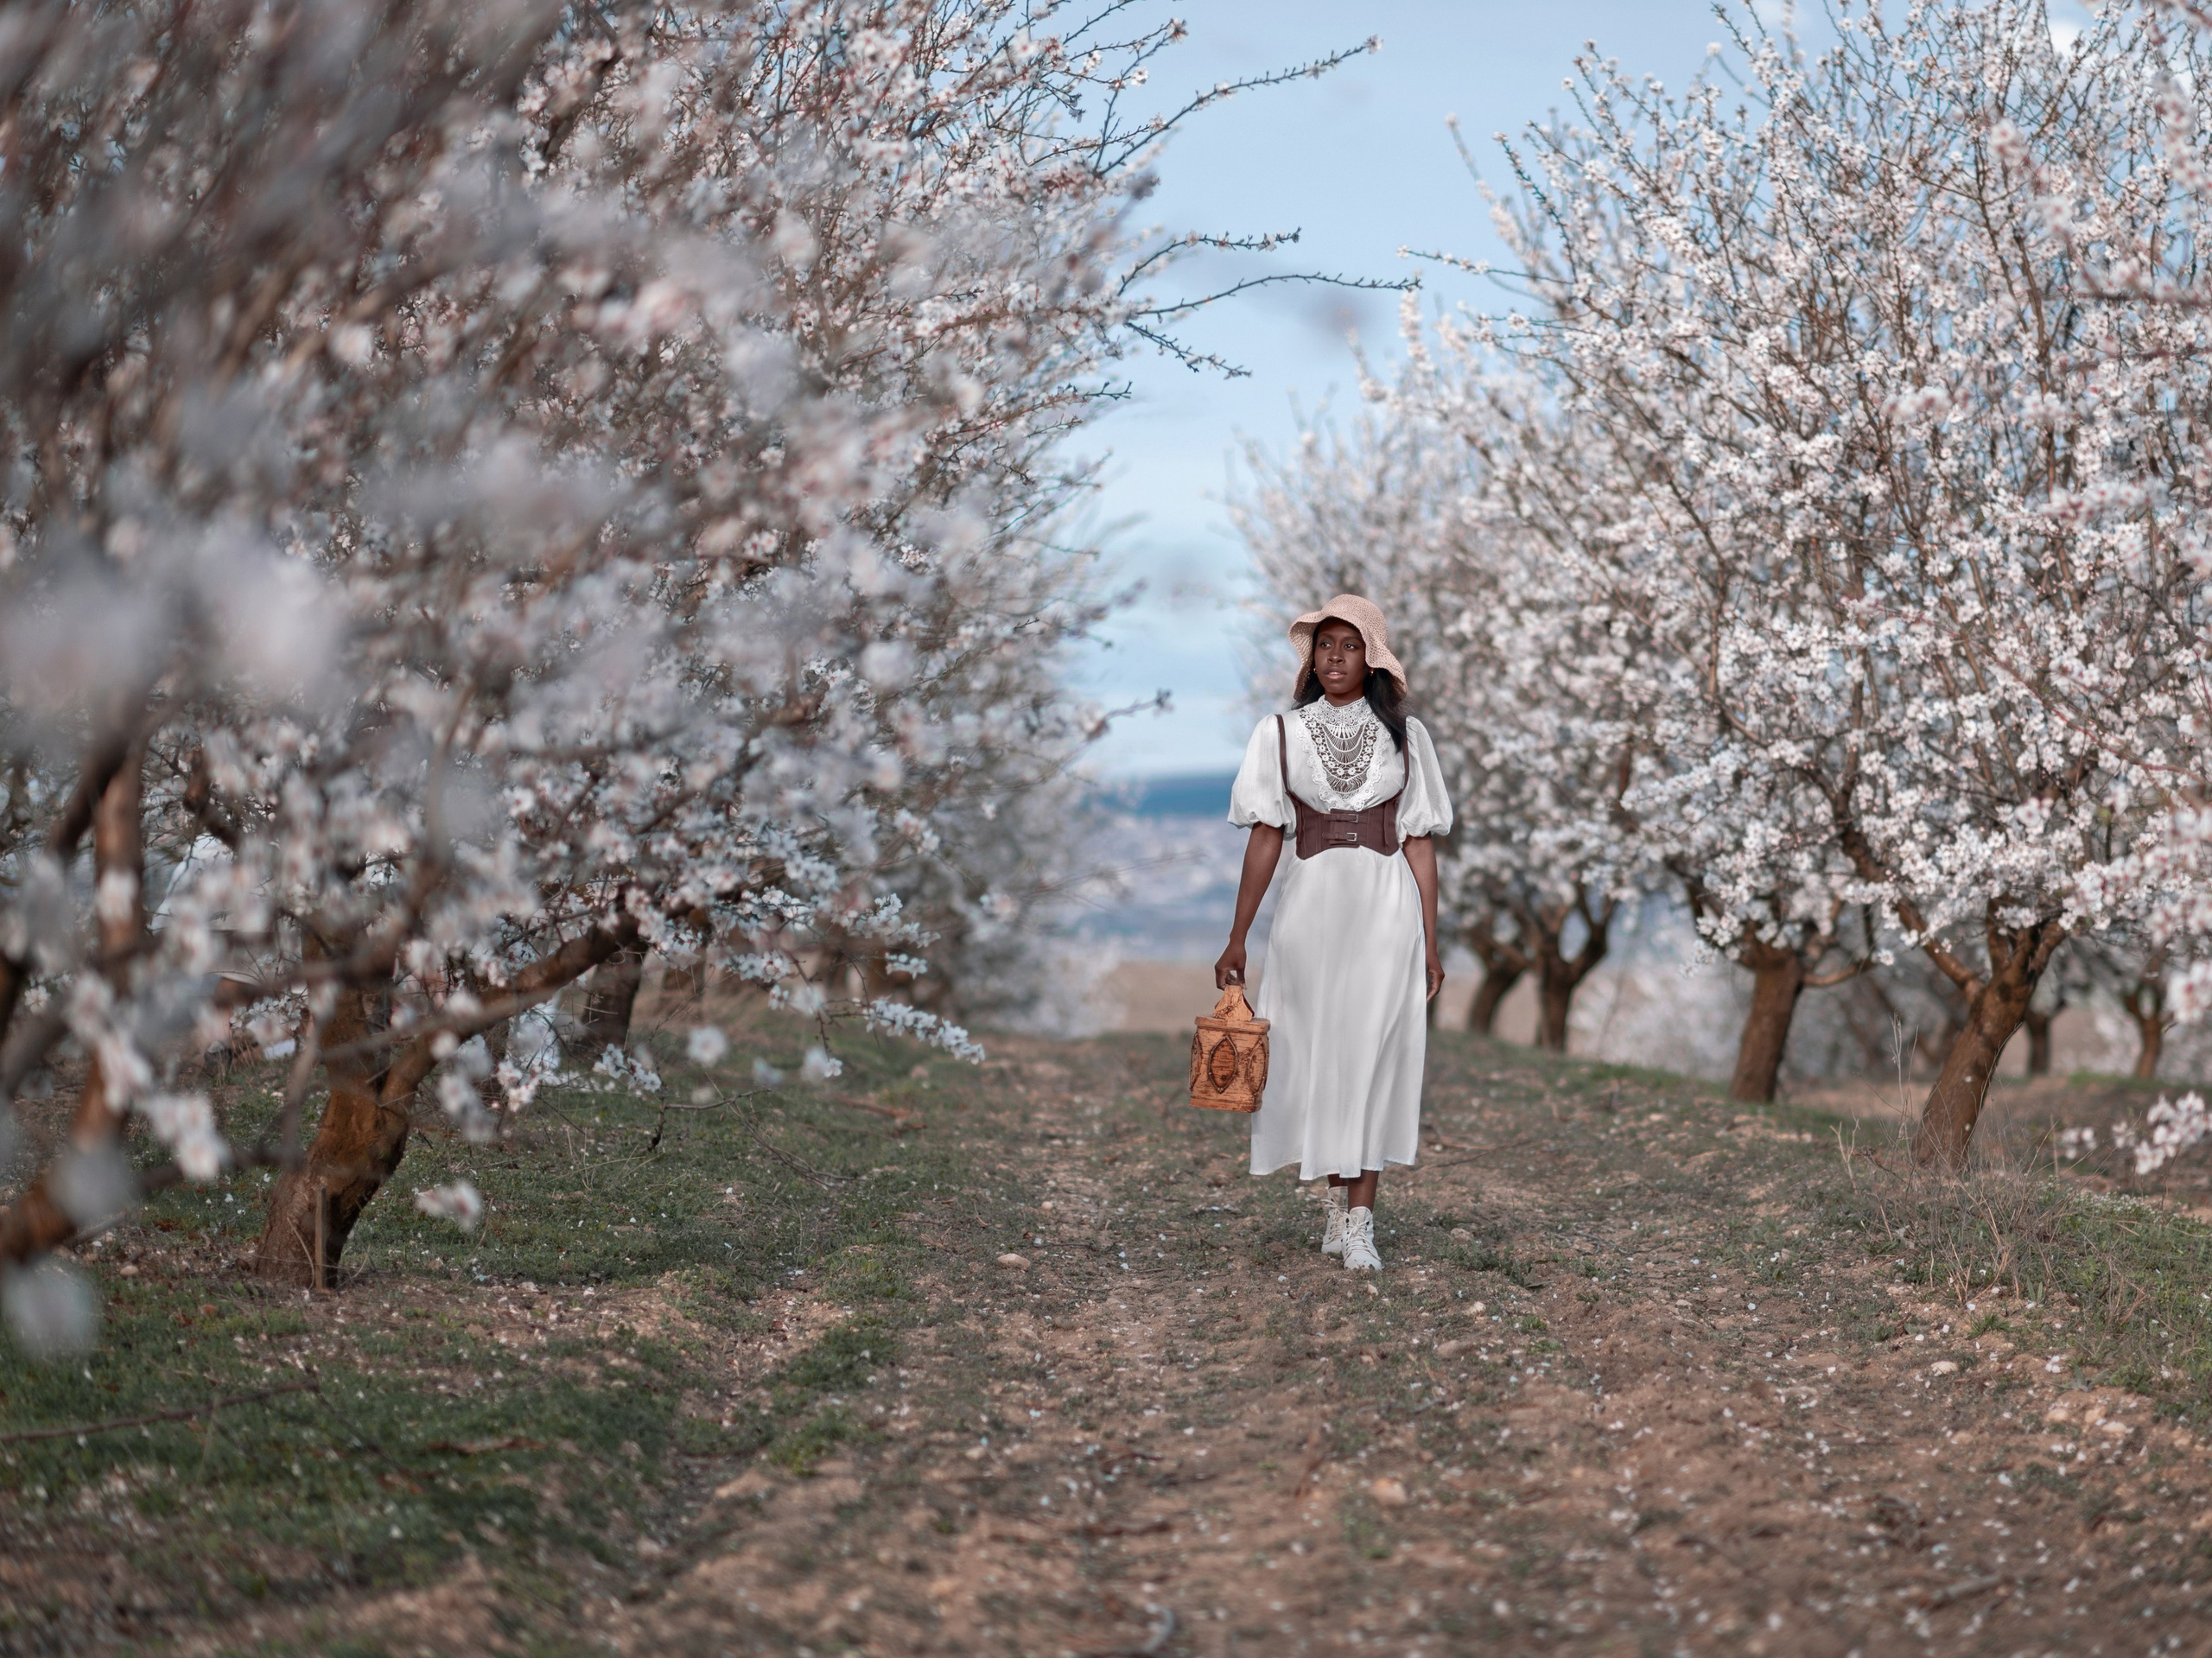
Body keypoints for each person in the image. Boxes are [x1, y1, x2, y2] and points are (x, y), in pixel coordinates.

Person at [1213, 595, 1452, 1273]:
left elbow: (1420, 843)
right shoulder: (1278, 733)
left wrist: (1431, 940)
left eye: (1350, 645)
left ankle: (1360, 1222)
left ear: (1372, 658)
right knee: (1316, 1053)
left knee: (1372, 1055)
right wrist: (1238, 936)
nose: (1336, 656)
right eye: (1325, 644)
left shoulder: (1409, 738)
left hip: (1385, 906)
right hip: (1309, 908)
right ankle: (1333, 1201)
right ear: (1311, 658)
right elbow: (1266, 837)